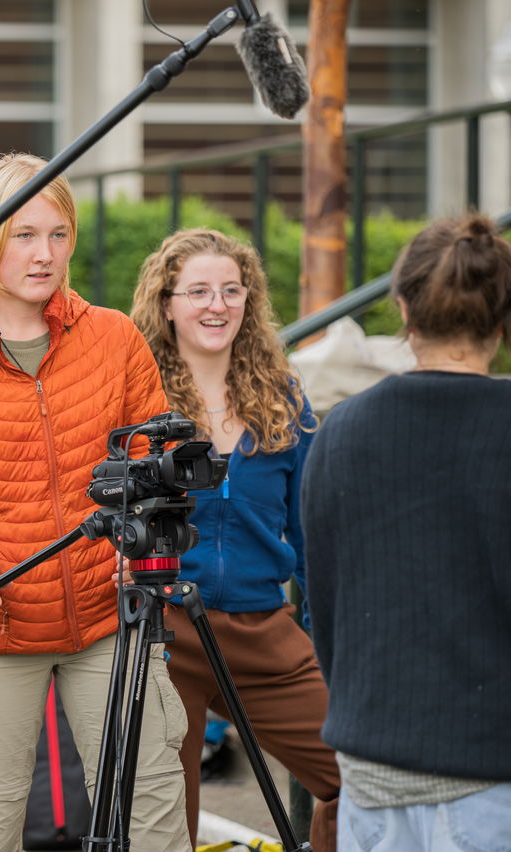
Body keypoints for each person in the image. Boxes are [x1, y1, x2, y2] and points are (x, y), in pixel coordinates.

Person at [0, 152, 189, 852]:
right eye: (23, 235)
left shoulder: (114, 338)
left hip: (108, 618)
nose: (44, 254)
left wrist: (144, 543)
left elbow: (156, 471)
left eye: (58, 234)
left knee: (149, 818)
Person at [301, 213, 511, 852]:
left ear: (401, 308)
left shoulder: (342, 430)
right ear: (501, 319)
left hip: (369, 758)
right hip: (488, 768)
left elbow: (324, 602)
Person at [129, 228, 340, 851]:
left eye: (230, 290)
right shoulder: (137, 397)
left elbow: (308, 531)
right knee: (167, 826)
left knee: (360, 774)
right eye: (197, 291)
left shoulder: (283, 400)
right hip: (166, 633)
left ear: (249, 301)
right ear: (166, 303)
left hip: (261, 630)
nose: (216, 305)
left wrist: (330, 627)